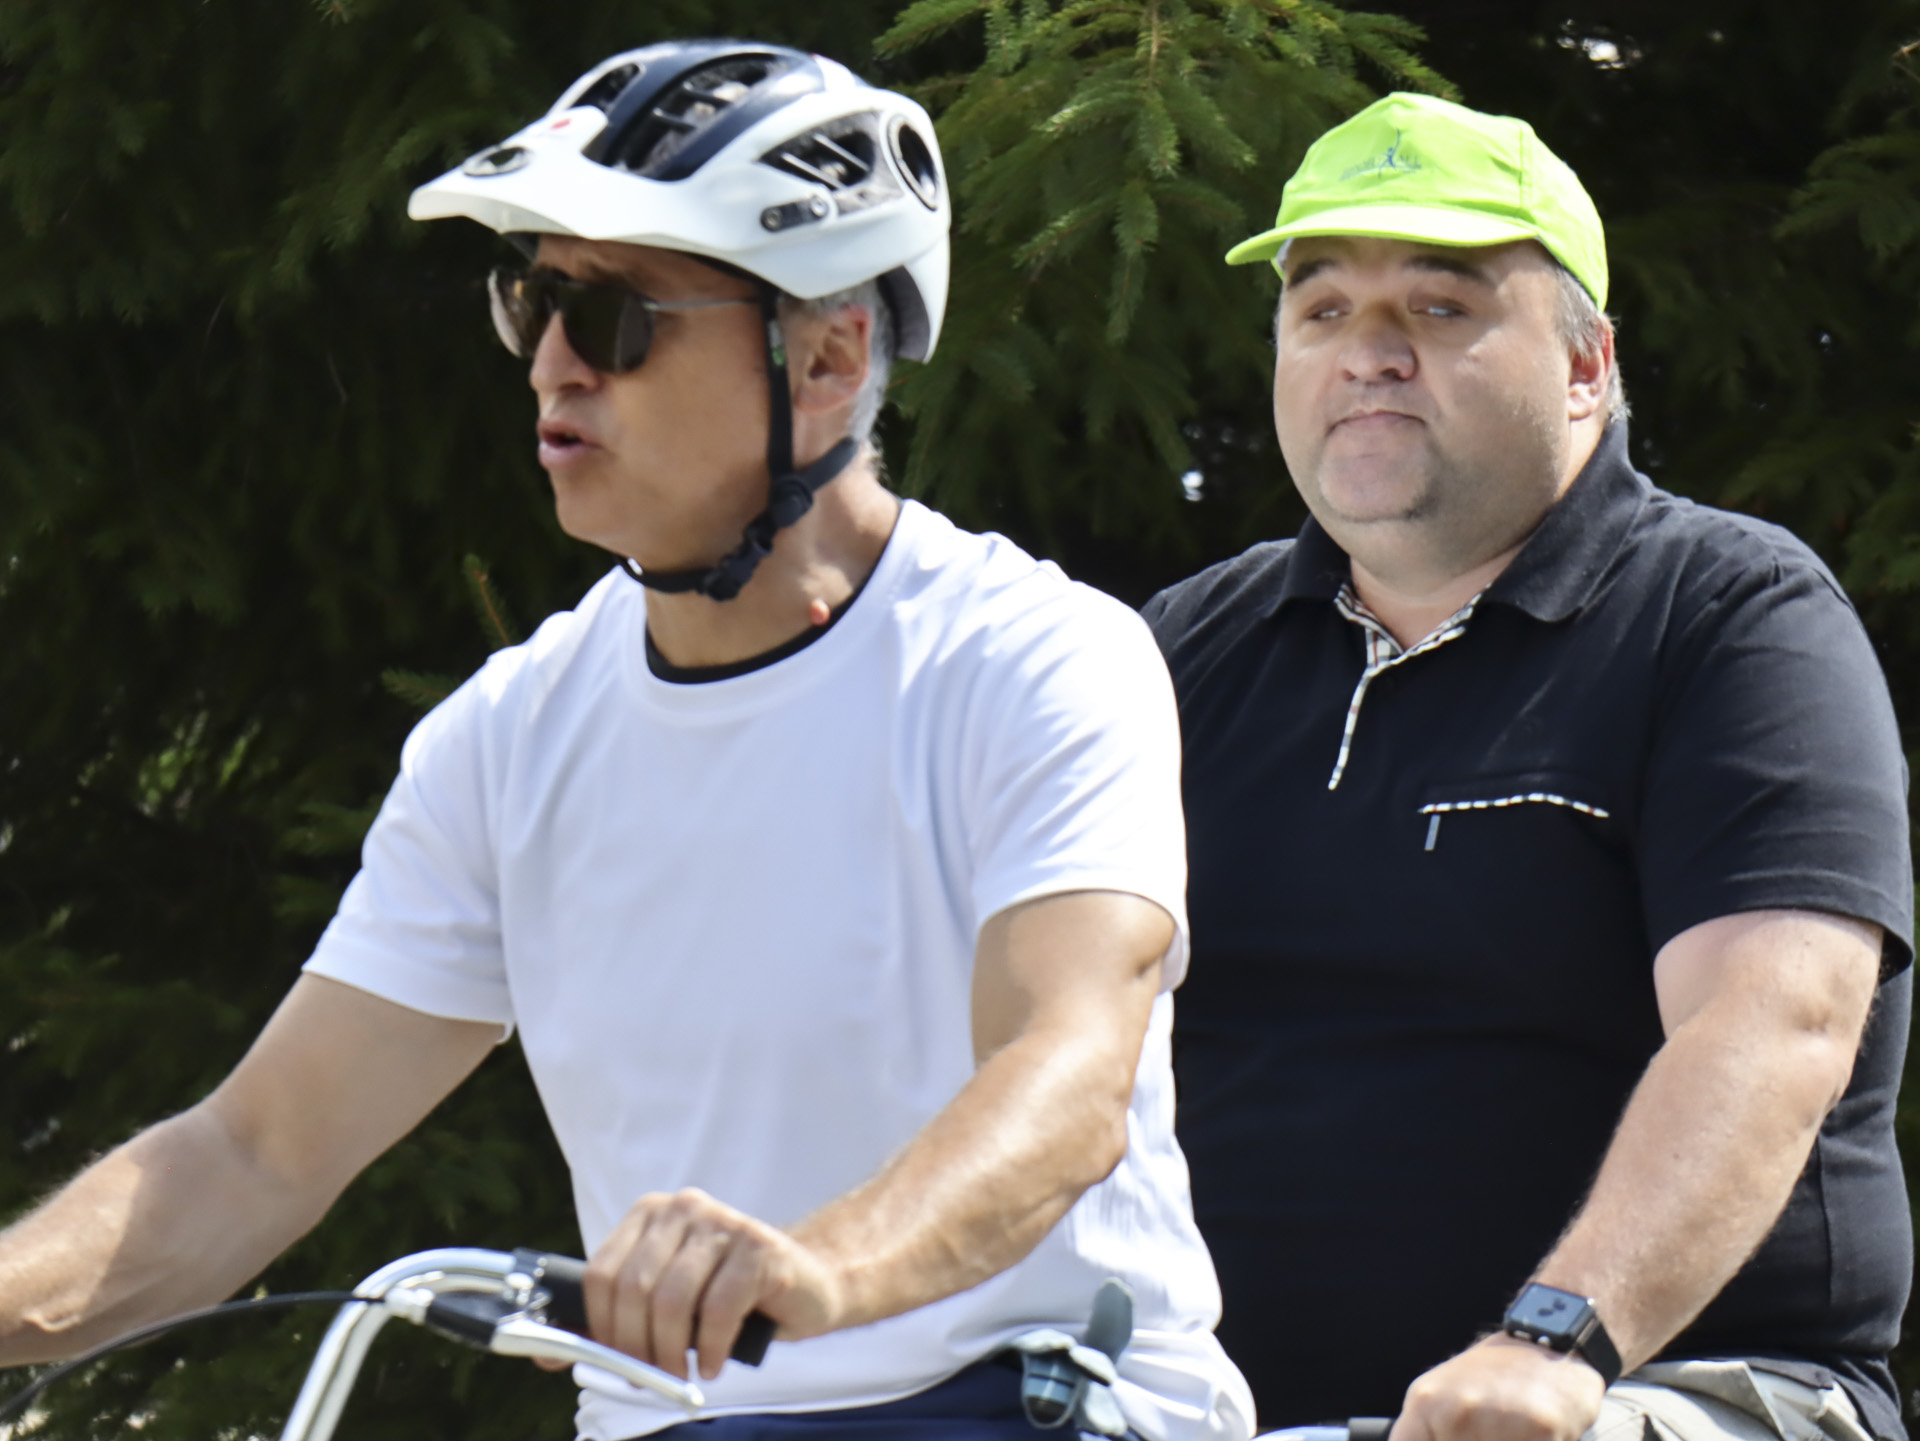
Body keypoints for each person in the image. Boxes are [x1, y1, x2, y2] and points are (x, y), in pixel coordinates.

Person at [0, 40, 1253, 1441]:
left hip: (1028, 1402)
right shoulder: (506, 739)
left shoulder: (1036, 660)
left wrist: (820, 1271)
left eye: (613, 317)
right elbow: (253, 1153)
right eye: (534, 301)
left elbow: (1064, 1071)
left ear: (829, 356)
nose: (551, 364)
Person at [1143, 93, 1911, 1441]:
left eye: (1439, 308)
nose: (1368, 355)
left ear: (1583, 366)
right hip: (1212, 1408)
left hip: (1660, 1390)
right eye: (1322, 310)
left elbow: (1775, 1026)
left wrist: (1555, 1342)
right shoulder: (1182, 648)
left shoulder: (1729, 617)